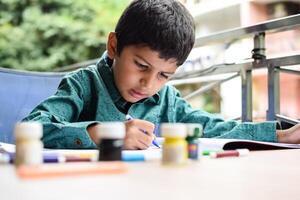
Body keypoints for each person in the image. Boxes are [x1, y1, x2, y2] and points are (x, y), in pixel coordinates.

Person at [23, 0, 300, 149]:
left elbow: (214, 128)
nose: (149, 84)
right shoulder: (83, 84)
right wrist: (107, 133)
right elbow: (31, 129)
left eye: (164, 75)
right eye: (141, 66)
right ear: (113, 46)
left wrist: (280, 135)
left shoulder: (166, 99)